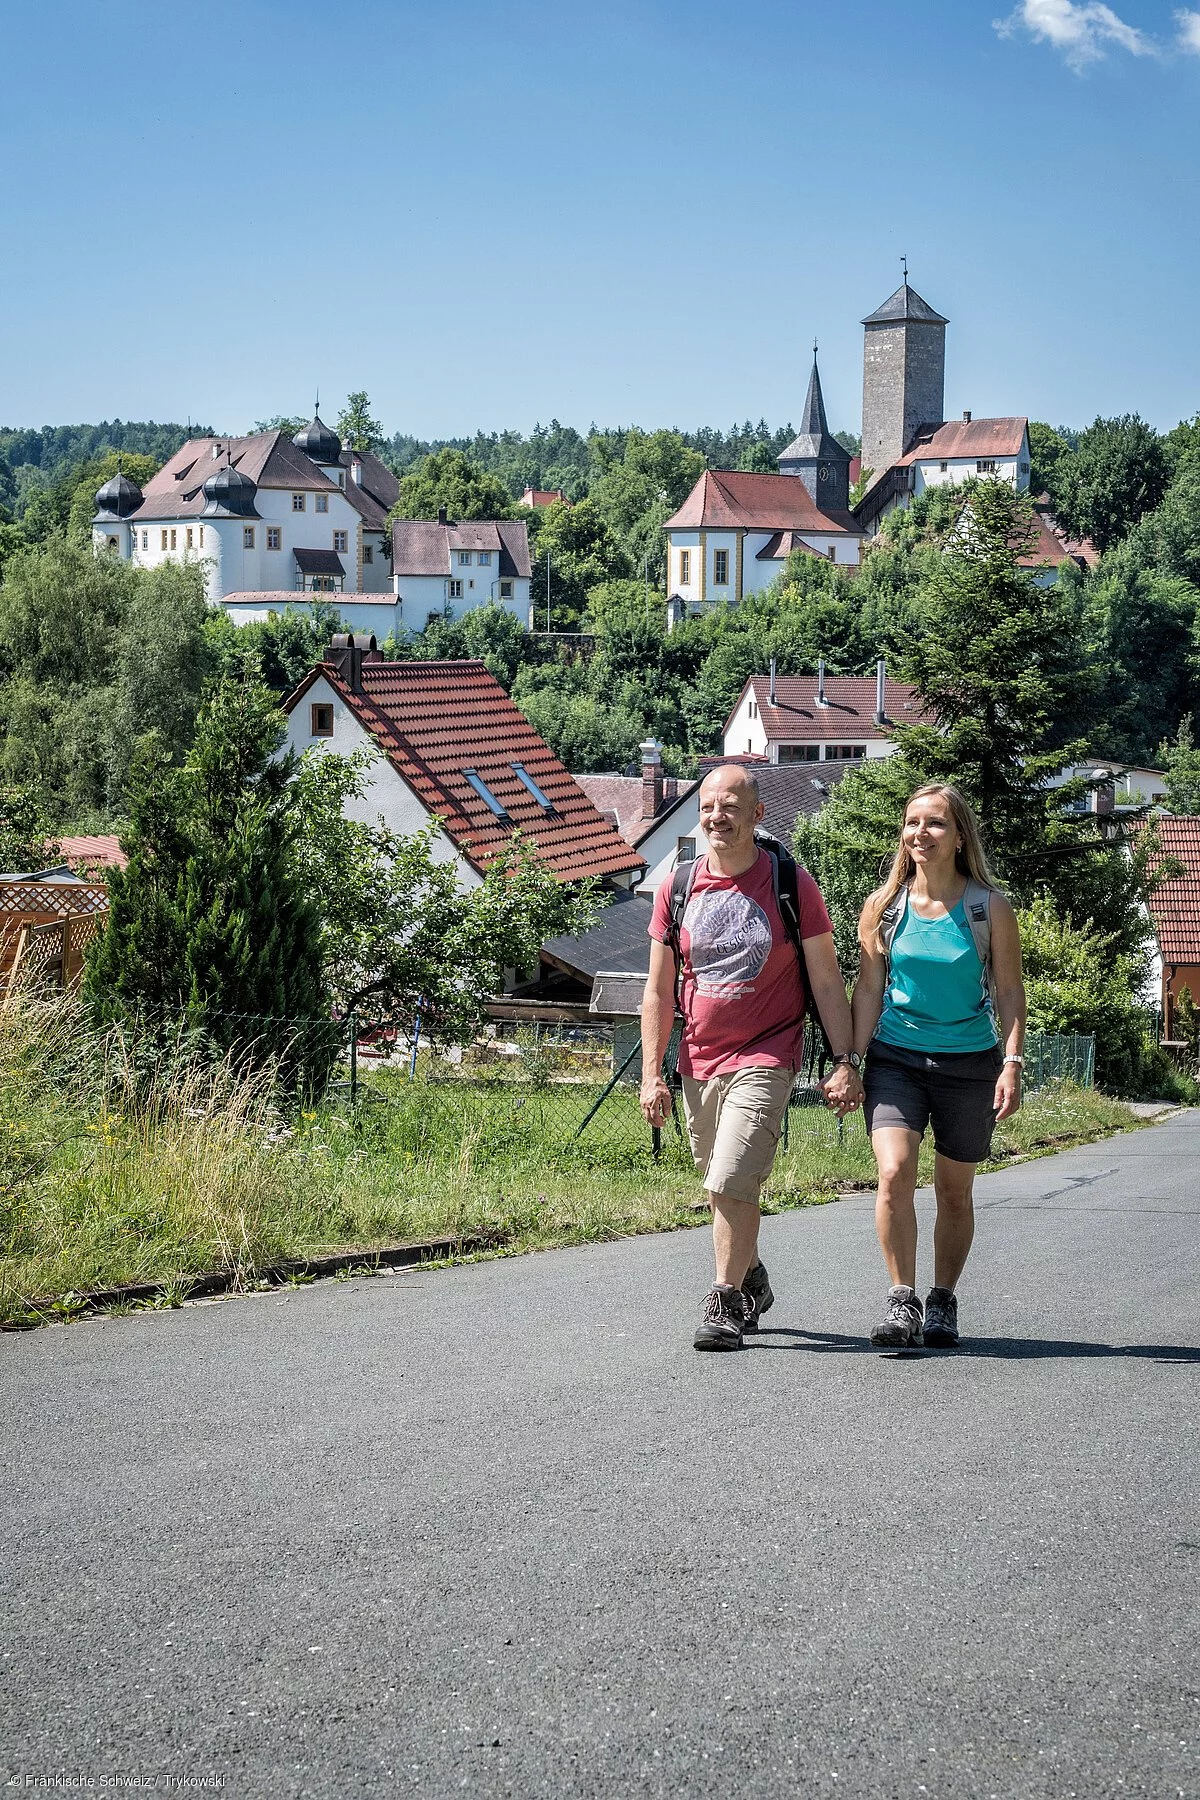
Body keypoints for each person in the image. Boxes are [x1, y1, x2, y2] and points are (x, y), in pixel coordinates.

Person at [640, 764, 863, 1352]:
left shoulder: (790, 882)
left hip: (768, 1052)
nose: (717, 816)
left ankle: (723, 1301)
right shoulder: (677, 886)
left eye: (731, 805)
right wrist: (651, 1075)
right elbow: (658, 990)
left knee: (732, 1179)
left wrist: (845, 1060)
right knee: (721, 1188)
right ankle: (753, 1278)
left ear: (757, 815)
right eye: (709, 805)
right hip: (696, 1058)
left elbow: (825, 977)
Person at [851, 784, 1027, 1350]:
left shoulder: (989, 907)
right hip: (896, 1059)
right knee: (895, 1171)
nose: (920, 833)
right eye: (912, 823)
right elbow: (868, 990)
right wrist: (849, 1061)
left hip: (970, 1065)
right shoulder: (884, 908)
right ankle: (901, 1299)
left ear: (958, 837)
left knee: (954, 1191)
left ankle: (942, 1298)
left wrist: (1012, 1063)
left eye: (935, 824)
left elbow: (1008, 991)